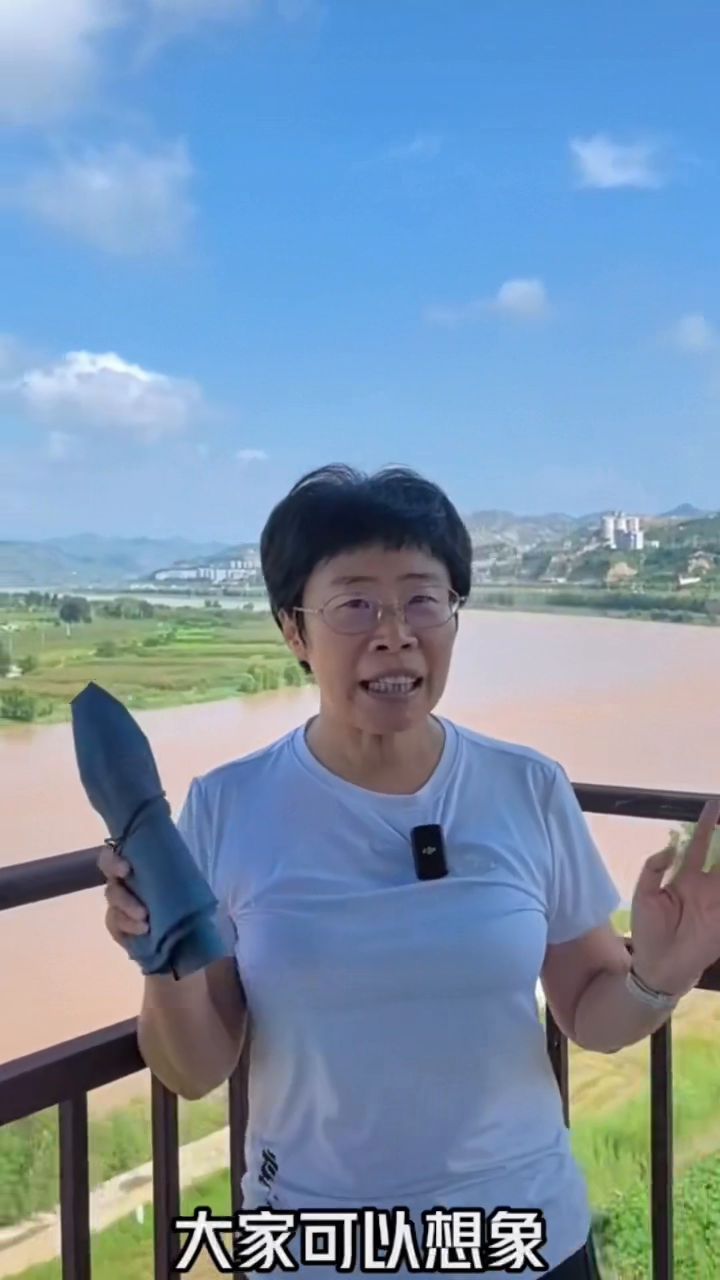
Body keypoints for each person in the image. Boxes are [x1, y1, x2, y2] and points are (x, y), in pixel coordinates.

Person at [99, 464, 720, 1279]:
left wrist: (661, 974)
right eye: (355, 604)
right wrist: (163, 949)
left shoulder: (526, 787)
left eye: (423, 600)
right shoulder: (227, 806)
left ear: (455, 617)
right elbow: (193, 1069)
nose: (394, 633)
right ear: (294, 631)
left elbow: (590, 1013)